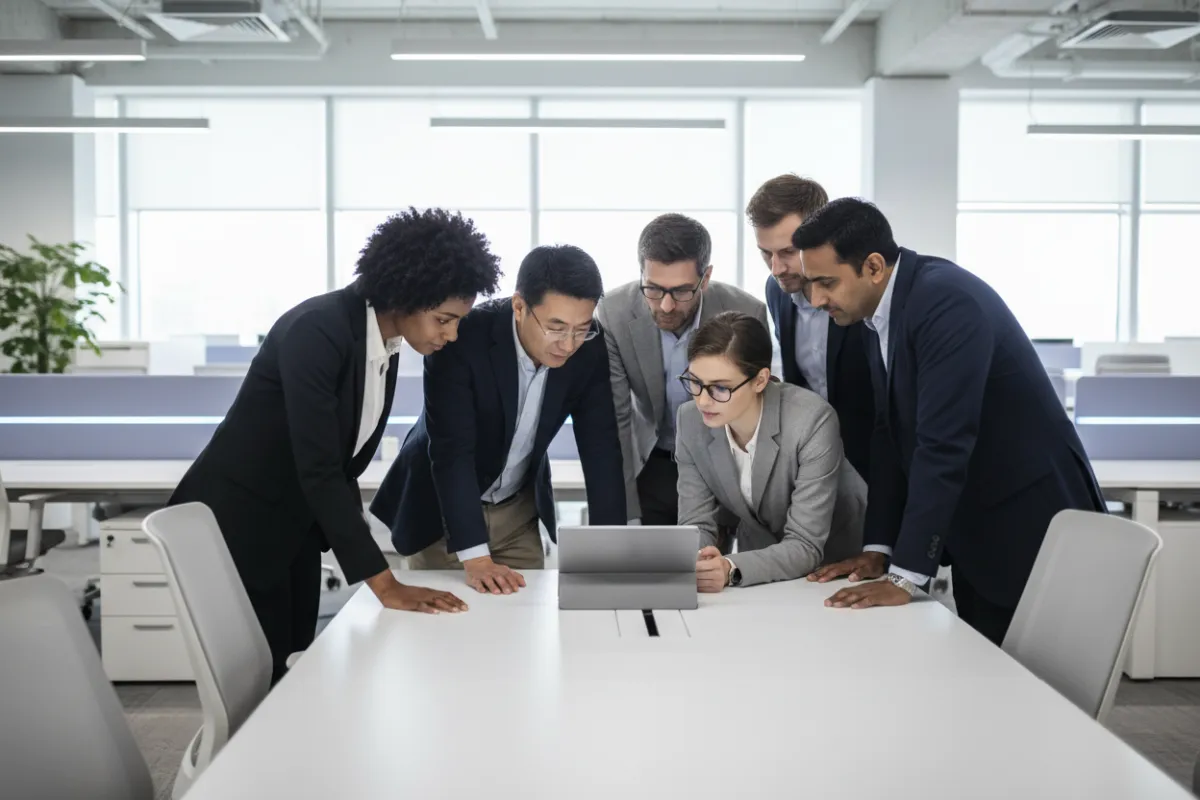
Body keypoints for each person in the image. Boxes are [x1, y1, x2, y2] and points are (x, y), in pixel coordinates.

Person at [170, 208, 502, 682]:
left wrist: (372, 568)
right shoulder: (318, 330)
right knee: (256, 682)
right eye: (444, 319)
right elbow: (321, 466)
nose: (451, 334)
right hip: (237, 525)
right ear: (406, 294)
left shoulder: (380, 344)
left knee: (291, 670)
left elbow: (341, 469)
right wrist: (384, 583)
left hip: (292, 525)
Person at [795, 198, 1106, 645]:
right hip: (978, 531)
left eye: (826, 283)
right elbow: (889, 434)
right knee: (983, 682)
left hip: (1030, 525)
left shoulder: (945, 303)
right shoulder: (878, 312)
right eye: (810, 283)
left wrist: (906, 577)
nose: (816, 299)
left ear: (874, 266)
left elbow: (942, 444)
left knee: (1031, 688)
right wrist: (879, 549)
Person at [370, 244, 626, 596]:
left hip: (518, 514)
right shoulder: (463, 338)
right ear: (519, 306)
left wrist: (607, 549)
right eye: (556, 327)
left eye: (581, 328)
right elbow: (452, 451)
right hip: (443, 516)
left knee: (526, 627)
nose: (568, 344)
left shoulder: (590, 348)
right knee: (443, 634)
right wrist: (475, 558)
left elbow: (602, 448)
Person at [595, 213, 768, 526]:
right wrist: (627, 512)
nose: (666, 306)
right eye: (653, 289)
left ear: (706, 277)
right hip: (652, 461)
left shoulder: (747, 312)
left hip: (720, 463)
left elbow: (754, 414)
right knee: (649, 566)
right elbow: (615, 417)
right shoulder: (613, 311)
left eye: (682, 291)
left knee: (711, 570)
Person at [675, 311, 866, 592]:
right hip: (760, 566)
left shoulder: (811, 419)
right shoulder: (689, 420)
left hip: (838, 565)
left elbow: (805, 543)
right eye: (694, 382)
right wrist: (695, 560)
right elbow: (696, 524)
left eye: (720, 388)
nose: (702, 400)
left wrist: (729, 567)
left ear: (760, 380)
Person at [746, 174, 874, 480]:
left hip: (873, 459)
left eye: (788, 252)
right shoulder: (777, 289)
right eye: (766, 253)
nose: (776, 268)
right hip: (814, 459)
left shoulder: (861, 290)